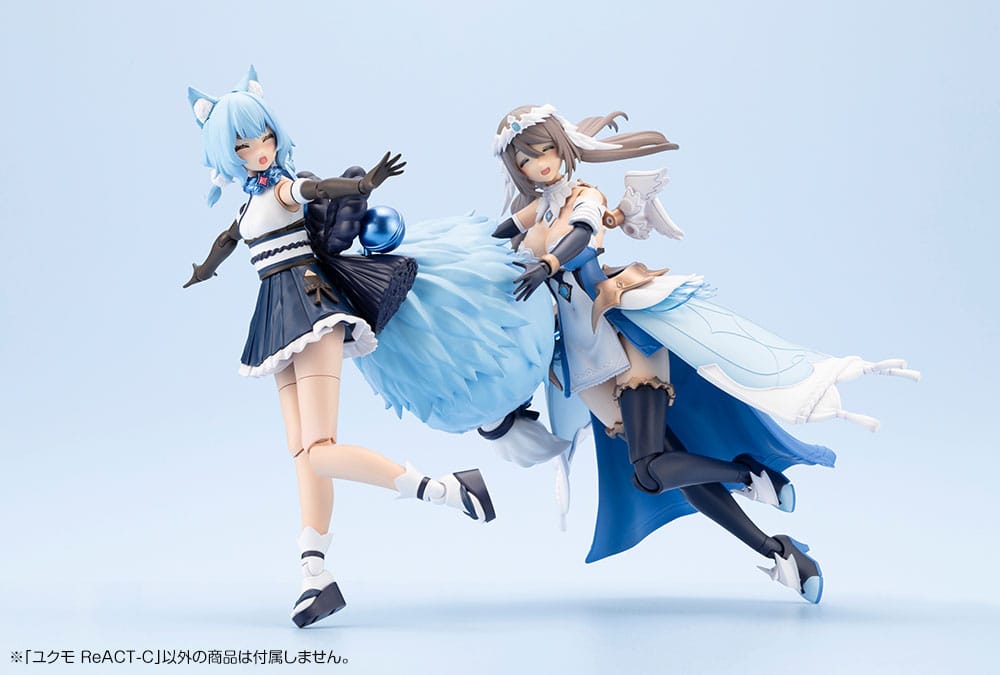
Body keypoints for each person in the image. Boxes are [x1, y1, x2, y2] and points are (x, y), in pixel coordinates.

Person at [483, 104, 920, 603]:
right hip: (582, 362)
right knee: (658, 468)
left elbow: (582, 239)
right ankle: (780, 551)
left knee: (650, 469)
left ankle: (749, 475)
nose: (538, 164)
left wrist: (546, 264)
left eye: (543, 151)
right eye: (525, 160)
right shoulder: (536, 212)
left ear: (561, 148)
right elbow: (489, 239)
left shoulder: (584, 196)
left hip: (620, 338)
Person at [184, 66, 499, 628]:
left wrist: (363, 185)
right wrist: (203, 270)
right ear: (227, 155)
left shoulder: (283, 188)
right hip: (276, 320)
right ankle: (315, 574)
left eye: (264, 138)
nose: (258, 150)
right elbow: (228, 240)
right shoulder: (246, 205)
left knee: (321, 448)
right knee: (302, 453)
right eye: (243, 145)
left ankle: (443, 489)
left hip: (313, 309)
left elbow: (318, 189)